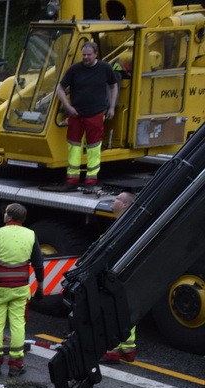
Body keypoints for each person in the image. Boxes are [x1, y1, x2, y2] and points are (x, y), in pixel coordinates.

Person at [0, 203, 45, 377]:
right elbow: (38, 263)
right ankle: (16, 365)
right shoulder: (31, 235)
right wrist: (40, 286)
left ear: (8, 216)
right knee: (18, 324)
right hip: (20, 288)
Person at [55, 41, 118, 187]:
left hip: (95, 113)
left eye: (89, 55)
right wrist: (68, 107)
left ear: (96, 54)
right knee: (74, 146)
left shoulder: (105, 68)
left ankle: (91, 178)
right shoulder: (74, 69)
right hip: (76, 114)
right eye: (84, 55)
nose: (86, 57)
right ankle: (72, 178)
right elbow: (60, 88)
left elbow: (114, 86)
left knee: (94, 147)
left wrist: (112, 107)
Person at [103, 191, 138, 363]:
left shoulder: (121, 225)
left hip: (116, 274)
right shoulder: (133, 222)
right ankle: (128, 349)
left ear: (124, 205)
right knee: (127, 310)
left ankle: (112, 351)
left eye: (117, 199)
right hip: (129, 274)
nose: (114, 201)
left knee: (112, 310)